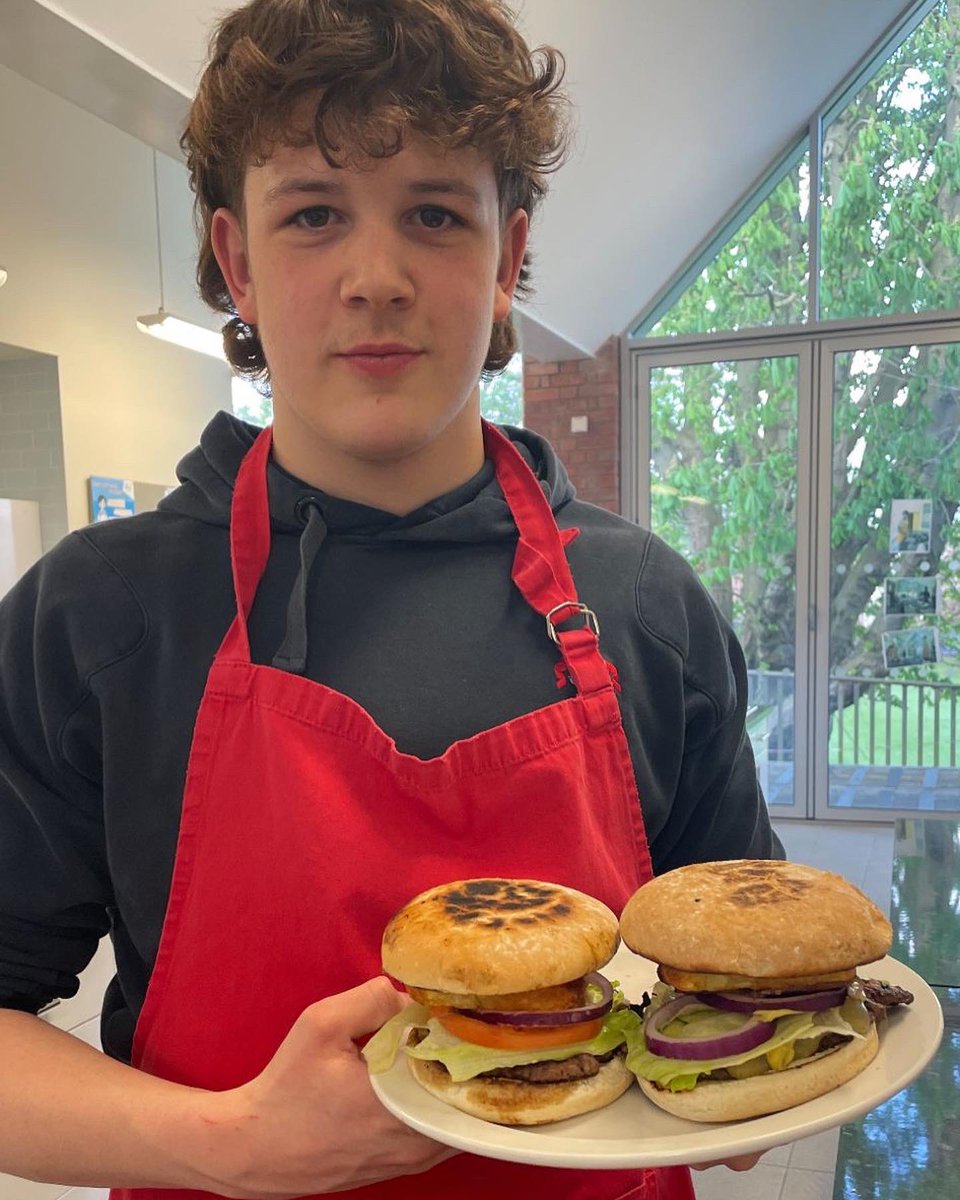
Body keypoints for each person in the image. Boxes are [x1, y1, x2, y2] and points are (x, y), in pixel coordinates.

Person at [0, 2, 783, 1197]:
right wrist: (236, 1146)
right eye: (313, 214)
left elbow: (746, 971)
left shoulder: (646, 606)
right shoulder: (101, 614)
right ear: (237, 259)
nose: (377, 279)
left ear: (510, 254)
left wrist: (752, 1068)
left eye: (433, 213)